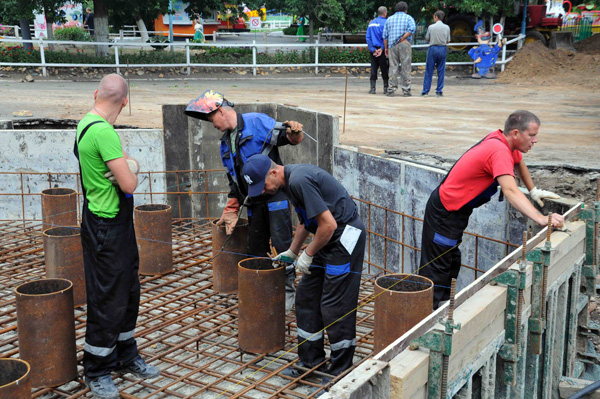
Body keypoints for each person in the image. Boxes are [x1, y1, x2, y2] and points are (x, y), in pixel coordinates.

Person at [242, 154, 366, 393]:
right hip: (326, 238)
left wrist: (308, 254)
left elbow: (328, 225)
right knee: (306, 297)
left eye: (263, 185)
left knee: (334, 304)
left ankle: (341, 367)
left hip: (343, 239)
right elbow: (307, 222)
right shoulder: (289, 183)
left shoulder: (298, 180)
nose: (264, 191)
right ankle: (310, 360)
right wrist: (292, 251)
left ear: (274, 173)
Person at [418, 110, 563, 309]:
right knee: (437, 266)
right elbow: (510, 190)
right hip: (445, 211)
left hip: (456, 210)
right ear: (515, 133)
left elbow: (519, 161)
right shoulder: (499, 151)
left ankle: (440, 308)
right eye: (532, 135)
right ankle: (424, 320)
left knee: (451, 260)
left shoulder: (504, 142)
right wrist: (540, 218)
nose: (535, 140)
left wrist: (533, 190)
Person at [75, 74, 159, 399]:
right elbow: (128, 184)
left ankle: (125, 355)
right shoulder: (104, 133)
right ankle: (96, 370)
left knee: (129, 291)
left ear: (96, 94)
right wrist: (132, 167)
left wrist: (126, 163)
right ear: (126, 102)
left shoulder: (85, 123)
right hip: (106, 227)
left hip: (113, 225)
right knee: (107, 298)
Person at [184, 90, 304, 311]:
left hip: (274, 196)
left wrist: (295, 134)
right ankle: (261, 291)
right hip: (254, 201)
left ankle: (287, 293)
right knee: (255, 248)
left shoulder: (256, 122)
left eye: (212, 119)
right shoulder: (224, 144)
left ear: (220, 111)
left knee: (282, 244)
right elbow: (235, 182)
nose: (213, 125)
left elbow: (287, 137)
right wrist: (231, 207)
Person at [382, 1, 416, 97]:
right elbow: (412, 29)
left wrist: (386, 48)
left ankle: (391, 89)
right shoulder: (408, 18)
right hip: (405, 44)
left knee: (393, 67)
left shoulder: (389, 19)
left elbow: (385, 35)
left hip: (392, 45)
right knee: (406, 67)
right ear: (405, 10)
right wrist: (403, 38)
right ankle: (406, 90)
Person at [421, 11, 451, 97]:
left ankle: (425, 91)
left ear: (436, 17)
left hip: (433, 48)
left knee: (429, 70)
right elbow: (448, 40)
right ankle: (439, 90)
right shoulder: (447, 27)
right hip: (442, 48)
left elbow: (427, 38)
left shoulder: (431, 27)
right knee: (441, 70)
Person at [366, 6, 389, 95]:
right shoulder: (387, 23)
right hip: (382, 50)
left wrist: (372, 49)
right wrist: (382, 48)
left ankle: (372, 88)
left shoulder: (371, 23)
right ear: (385, 13)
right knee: (384, 68)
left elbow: (368, 37)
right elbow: (386, 37)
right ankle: (386, 88)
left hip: (373, 50)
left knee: (373, 68)